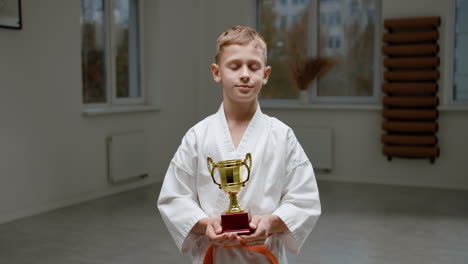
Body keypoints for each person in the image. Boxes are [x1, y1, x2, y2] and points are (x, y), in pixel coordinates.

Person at [158, 25, 321, 264]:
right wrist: (205, 225)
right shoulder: (198, 136)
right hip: (213, 256)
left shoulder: (282, 135)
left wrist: (271, 222)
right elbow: (174, 197)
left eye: (253, 67)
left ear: (265, 75)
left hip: (264, 256)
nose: (244, 74)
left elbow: (304, 199)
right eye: (234, 66)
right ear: (217, 72)